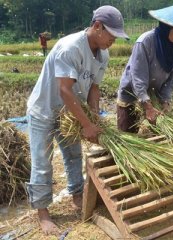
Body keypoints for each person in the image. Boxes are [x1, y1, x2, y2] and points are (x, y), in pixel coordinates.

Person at [26, 5, 128, 236]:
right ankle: (42, 213)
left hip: (69, 113)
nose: (113, 40)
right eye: (111, 35)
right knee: (43, 162)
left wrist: (93, 116)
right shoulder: (70, 48)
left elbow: (94, 87)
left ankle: (77, 195)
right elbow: (65, 90)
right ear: (97, 26)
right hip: (45, 110)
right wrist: (86, 124)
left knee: (73, 155)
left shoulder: (103, 53)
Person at [116, 3, 173, 132]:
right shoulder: (145, 42)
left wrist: (165, 100)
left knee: (157, 135)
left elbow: (171, 79)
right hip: (131, 94)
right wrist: (147, 105)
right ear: (167, 26)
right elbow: (138, 77)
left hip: (154, 95)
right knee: (128, 134)